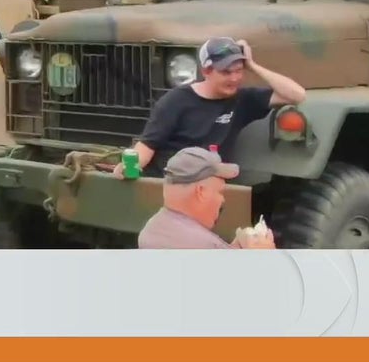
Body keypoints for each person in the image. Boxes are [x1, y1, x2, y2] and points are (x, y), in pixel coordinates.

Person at [113, 36, 306, 177]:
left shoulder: (242, 100)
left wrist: (252, 65)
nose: (235, 78)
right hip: (171, 181)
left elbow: (296, 95)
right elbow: (147, 145)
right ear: (206, 71)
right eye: (226, 72)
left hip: (210, 185)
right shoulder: (176, 101)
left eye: (239, 71)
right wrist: (129, 168)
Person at [137, 146, 276, 249]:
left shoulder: (151, 230)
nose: (222, 200)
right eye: (219, 192)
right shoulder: (207, 246)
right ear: (201, 192)